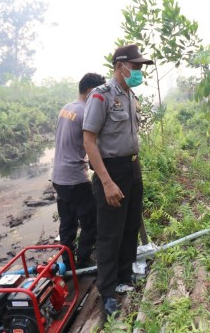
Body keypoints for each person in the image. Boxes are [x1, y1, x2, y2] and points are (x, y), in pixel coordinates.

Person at [83, 44, 152, 317]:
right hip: (110, 170)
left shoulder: (129, 95)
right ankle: (108, 291)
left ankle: (124, 276)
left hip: (132, 168)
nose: (138, 71)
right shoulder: (101, 97)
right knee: (110, 232)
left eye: (140, 67)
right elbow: (89, 140)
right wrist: (107, 182)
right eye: (135, 67)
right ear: (120, 66)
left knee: (130, 224)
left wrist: (135, 169)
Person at [52, 73, 105, 271]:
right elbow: (89, 145)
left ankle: (66, 263)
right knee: (91, 221)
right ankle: (83, 260)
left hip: (58, 176)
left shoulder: (67, 108)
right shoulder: (86, 113)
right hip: (75, 178)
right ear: (91, 91)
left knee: (67, 223)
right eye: (100, 92)